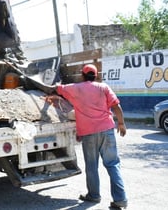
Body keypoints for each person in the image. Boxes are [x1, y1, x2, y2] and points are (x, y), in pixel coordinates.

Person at [43, 64, 128, 209]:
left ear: (82, 75)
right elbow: (116, 107)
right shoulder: (104, 87)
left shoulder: (75, 88)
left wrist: (51, 91)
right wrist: (121, 124)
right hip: (107, 130)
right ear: (95, 76)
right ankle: (120, 200)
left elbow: (58, 88)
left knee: (91, 166)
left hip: (89, 134)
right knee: (113, 164)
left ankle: (94, 196)